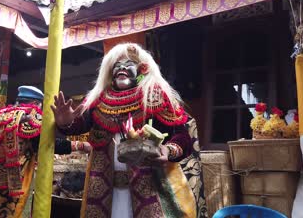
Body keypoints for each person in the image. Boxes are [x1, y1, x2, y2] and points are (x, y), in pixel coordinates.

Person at [52, 43, 206, 218]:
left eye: (127, 64)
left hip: (149, 186)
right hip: (105, 188)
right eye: (116, 65)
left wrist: (168, 150)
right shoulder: (98, 101)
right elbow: (79, 125)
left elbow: (182, 136)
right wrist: (65, 123)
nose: (121, 68)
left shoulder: (154, 96)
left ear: (141, 69)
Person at [0, 86, 91, 218]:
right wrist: (80, 145)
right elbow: (47, 144)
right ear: (37, 104)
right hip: (12, 190)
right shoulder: (29, 118)